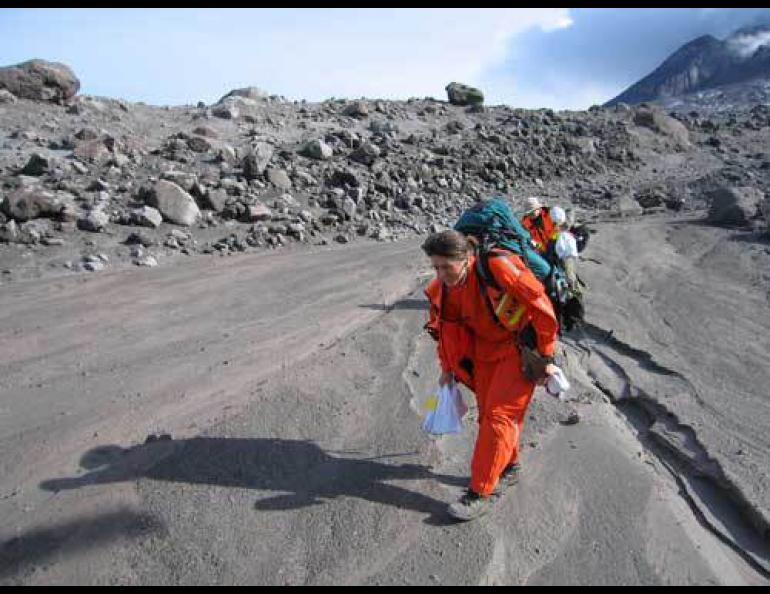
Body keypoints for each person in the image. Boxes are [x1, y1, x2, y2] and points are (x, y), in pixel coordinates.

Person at [422, 230, 559, 521]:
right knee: (487, 417)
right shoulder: (444, 288)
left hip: (518, 351)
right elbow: (445, 331)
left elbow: (542, 306)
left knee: (499, 418)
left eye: (447, 266)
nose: (441, 273)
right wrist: (447, 369)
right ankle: (510, 467)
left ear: (468, 258)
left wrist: (546, 356)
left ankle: (481, 492)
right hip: (483, 357)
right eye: (435, 267)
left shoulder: (497, 267)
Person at [547, 206, 582, 299]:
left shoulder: (562, 236)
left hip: (563, 263)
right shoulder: (562, 234)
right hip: (563, 263)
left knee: (568, 280)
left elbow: (566, 257)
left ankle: (572, 295)